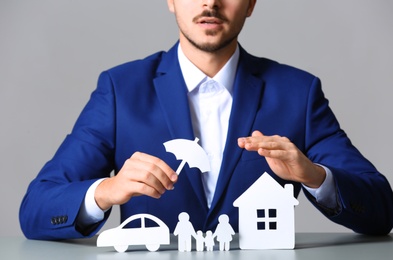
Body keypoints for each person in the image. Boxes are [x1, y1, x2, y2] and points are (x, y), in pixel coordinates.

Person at [20, 0, 393, 241]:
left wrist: (314, 176)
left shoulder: (298, 93)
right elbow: (37, 207)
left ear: (250, 4)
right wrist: (106, 191)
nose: (210, 3)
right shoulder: (121, 90)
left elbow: (381, 208)